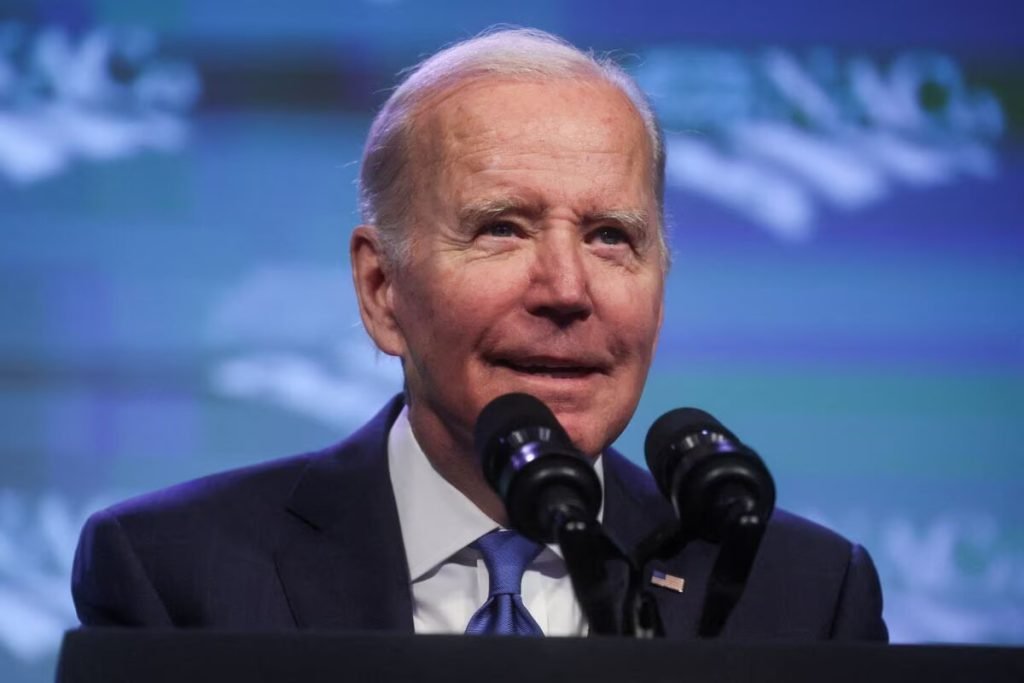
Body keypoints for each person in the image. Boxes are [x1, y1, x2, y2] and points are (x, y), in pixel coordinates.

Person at [71, 27, 887, 640]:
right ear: (381, 288)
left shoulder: (802, 593)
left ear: (660, 286)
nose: (568, 291)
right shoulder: (172, 576)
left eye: (611, 236)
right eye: (502, 227)